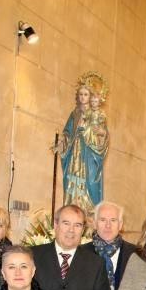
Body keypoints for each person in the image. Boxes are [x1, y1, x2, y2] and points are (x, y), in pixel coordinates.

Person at [56, 83, 109, 212]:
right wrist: (63, 139)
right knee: (72, 179)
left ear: (91, 97)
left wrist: (100, 133)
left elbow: (104, 134)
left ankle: (88, 211)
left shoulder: (96, 114)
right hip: (74, 152)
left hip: (89, 153)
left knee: (90, 181)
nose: (83, 97)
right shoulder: (74, 114)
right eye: (81, 94)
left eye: (86, 94)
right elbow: (68, 132)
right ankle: (72, 206)